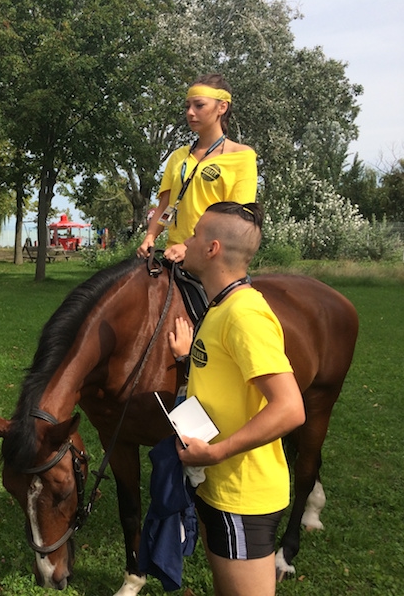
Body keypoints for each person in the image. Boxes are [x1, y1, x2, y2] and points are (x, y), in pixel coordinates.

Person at [168, 202, 305, 596]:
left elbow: (290, 407)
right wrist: (185, 357)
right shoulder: (221, 305)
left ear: (211, 248)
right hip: (217, 484)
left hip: (242, 495)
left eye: (193, 235)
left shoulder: (245, 314)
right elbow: (225, 382)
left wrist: (217, 452)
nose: (186, 241)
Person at [136, 74, 257, 264]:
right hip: (172, 255)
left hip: (214, 261)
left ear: (222, 107)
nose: (190, 113)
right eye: (187, 107)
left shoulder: (242, 156)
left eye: (199, 105)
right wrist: (150, 237)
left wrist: (190, 246)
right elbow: (166, 206)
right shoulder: (178, 156)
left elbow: (237, 218)